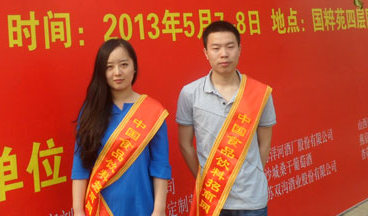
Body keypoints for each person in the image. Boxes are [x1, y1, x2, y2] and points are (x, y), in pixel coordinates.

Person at [176, 21, 276, 216]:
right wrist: (205, 179)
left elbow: (265, 142)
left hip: (252, 200)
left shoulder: (260, 93)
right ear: (206, 52)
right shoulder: (190, 93)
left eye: (230, 46)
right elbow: (185, 144)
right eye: (216, 48)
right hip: (212, 198)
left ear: (239, 49)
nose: (224, 54)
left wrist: (251, 172)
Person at [72, 38, 171, 216]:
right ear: (101, 72)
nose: (117, 72)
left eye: (124, 64)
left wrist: (159, 210)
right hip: (101, 208)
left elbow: (160, 165)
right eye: (109, 67)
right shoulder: (91, 112)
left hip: (143, 207)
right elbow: (80, 166)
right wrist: (78, 211)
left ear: (134, 67)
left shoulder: (153, 111)